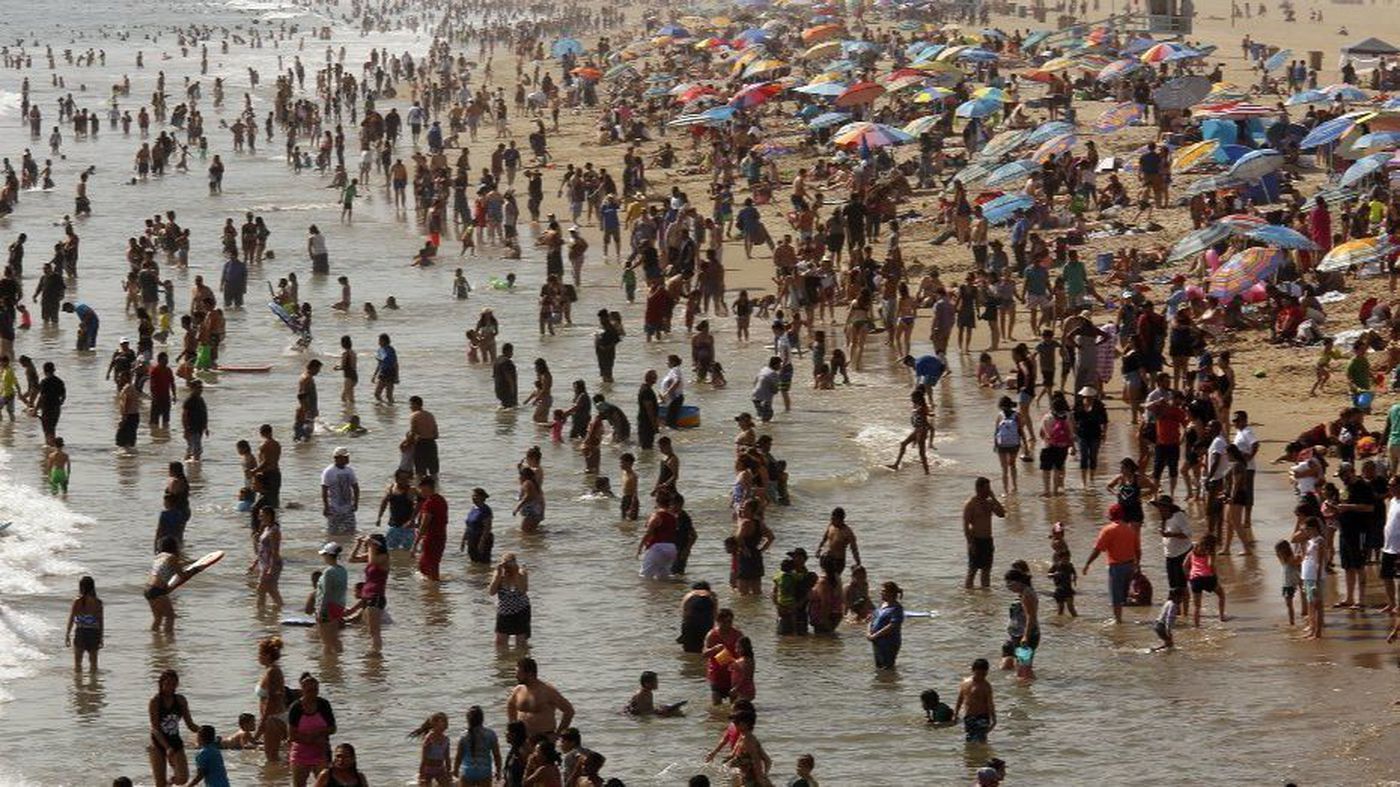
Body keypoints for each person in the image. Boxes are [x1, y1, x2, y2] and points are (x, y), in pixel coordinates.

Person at [1083, 504, 1141, 623]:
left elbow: (1097, 549)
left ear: (1111, 515)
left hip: (1116, 567)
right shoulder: (1131, 530)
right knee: (1123, 596)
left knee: (1116, 597)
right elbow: (1138, 550)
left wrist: (1087, 563)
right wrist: (1137, 564)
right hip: (1130, 565)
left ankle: (1118, 621)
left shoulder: (1108, 530)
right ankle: (1123, 618)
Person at [148, 670, 199, 787]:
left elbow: (190, 725)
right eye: (168, 683)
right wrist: (167, 748)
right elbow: (155, 728)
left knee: (183, 778)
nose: (171, 687)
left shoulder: (180, 700)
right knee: (160, 784)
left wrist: (205, 733)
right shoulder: (155, 701)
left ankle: (170, 782)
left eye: (174, 684)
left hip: (175, 741)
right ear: (161, 684)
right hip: (158, 743)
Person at [505, 657, 575, 738]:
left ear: (530, 673)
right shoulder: (518, 690)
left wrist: (558, 734)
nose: (516, 676)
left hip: (544, 737)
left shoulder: (547, 691)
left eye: (518, 673)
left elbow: (569, 711)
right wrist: (512, 728)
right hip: (523, 738)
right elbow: (510, 706)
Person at [289, 673, 336, 787]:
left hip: (322, 752)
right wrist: (310, 740)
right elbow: (292, 735)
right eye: (309, 690)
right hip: (300, 754)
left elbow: (333, 728)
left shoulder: (323, 704)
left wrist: (318, 733)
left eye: (315, 690)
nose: (313, 693)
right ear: (302, 690)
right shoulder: (296, 708)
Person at [348, 533, 389, 654]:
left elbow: (373, 561)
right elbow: (352, 559)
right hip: (368, 597)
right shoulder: (371, 555)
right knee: (370, 630)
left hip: (376, 596)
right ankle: (374, 651)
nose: (368, 546)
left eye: (370, 544)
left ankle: (376, 653)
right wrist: (358, 544)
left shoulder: (384, 556)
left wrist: (371, 545)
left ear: (377, 545)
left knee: (374, 631)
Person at [963, 477, 1006, 589]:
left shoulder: (989, 503)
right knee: (973, 570)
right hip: (976, 540)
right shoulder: (971, 504)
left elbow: (1002, 514)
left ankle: (985, 595)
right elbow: (966, 525)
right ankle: (969, 594)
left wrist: (994, 498)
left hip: (987, 539)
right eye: (986, 488)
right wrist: (970, 543)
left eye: (989, 488)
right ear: (978, 488)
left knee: (986, 570)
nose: (988, 491)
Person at [1002, 568, 1039, 681]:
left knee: (1024, 668)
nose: (1009, 587)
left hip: (1026, 635)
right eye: (1007, 584)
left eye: (1011, 584)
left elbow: (1031, 617)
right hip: (1018, 635)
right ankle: (1024, 691)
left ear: (1019, 582)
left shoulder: (1027, 595)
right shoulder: (1023, 593)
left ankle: (1026, 692)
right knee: (1021, 666)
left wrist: (1026, 636)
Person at [490, 553, 531, 647]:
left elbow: (523, 590)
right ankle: (503, 660)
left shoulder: (521, 573)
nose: (507, 568)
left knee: (521, 642)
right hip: (504, 611)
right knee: (499, 642)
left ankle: (521, 658)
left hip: (521, 609)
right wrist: (498, 576)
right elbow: (491, 592)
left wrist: (515, 574)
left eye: (510, 564)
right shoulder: (499, 574)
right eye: (506, 564)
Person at [412, 476, 448, 581]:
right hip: (441, 536)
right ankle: (434, 588)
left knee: (427, 566)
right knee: (429, 564)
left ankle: (434, 588)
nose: (420, 492)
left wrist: (415, 544)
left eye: (422, 489)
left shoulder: (429, 503)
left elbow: (424, 524)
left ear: (427, 488)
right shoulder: (441, 499)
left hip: (432, 537)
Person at [314, 543, 347, 655]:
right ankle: (339, 660)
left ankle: (327, 666)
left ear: (329, 555)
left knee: (326, 641)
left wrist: (321, 611)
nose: (323, 557)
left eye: (324, 555)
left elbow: (326, 593)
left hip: (327, 608)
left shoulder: (328, 571)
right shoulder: (342, 570)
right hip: (338, 607)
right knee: (334, 638)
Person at [953, 659, 997, 744]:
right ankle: (972, 756)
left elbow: (990, 704)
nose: (981, 677)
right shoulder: (965, 683)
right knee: (970, 740)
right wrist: (955, 713)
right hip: (969, 717)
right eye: (979, 674)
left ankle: (981, 755)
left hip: (982, 717)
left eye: (984, 674)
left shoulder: (986, 686)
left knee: (981, 739)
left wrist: (994, 719)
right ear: (973, 670)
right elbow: (960, 699)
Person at [321, 446, 360, 533]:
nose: (347, 459)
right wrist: (326, 506)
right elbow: (324, 490)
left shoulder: (349, 471)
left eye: (347, 457)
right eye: (345, 457)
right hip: (334, 508)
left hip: (348, 507)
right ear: (337, 458)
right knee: (333, 532)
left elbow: (355, 487)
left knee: (351, 531)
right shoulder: (329, 471)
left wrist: (356, 503)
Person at [867, 580, 905, 669]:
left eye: (883, 591)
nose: (881, 593)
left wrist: (875, 635)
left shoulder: (896, 608)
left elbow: (892, 626)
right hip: (877, 641)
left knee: (887, 667)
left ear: (891, 593)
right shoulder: (882, 605)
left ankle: (889, 682)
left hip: (889, 643)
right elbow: (871, 619)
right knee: (879, 667)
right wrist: (868, 632)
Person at [409, 712, 452, 786]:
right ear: (434, 724)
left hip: (440, 769)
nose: (446, 725)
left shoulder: (446, 739)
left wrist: (449, 771)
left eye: (447, 722)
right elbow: (424, 759)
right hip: (427, 769)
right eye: (444, 722)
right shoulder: (429, 739)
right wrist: (421, 775)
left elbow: (447, 757)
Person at [461, 486, 495, 564]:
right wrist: (463, 540)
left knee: (483, 562)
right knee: (473, 563)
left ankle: (485, 575)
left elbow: (487, 528)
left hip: (482, 540)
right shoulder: (473, 508)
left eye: (476, 496)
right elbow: (468, 525)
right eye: (472, 496)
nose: (473, 498)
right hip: (472, 538)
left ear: (482, 497)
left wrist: (482, 543)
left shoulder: (486, 510)